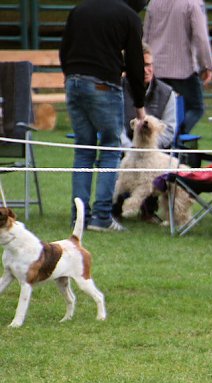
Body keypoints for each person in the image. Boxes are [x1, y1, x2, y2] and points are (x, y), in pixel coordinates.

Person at [60, 0, 147, 232]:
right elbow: (136, 64)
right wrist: (140, 106)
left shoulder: (80, 9)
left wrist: (70, 77)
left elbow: (64, 49)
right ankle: (101, 217)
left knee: (83, 151)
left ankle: (78, 217)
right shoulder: (129, 17)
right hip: (104, 85)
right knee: (110, 148)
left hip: (74, 82)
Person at [143, 0, 212, 136]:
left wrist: (144, 63)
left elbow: (146, 35)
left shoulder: (154, 3)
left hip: (156, 67)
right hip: (183, 68)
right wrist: (207, 65)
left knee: (159, 111)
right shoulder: (192, 3)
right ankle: (174, 136)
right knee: (196, 108)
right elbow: (201, 37)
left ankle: (160, 138)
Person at [120, 42, 177, 150]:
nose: (146, 71)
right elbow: (115, 129)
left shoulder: (167, 93)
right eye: (141, 66)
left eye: (149, 65)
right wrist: (131, 148)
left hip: (156, 152)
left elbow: (168, 130)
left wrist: (149, 147)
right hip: (124, 152)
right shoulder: (117, 90)